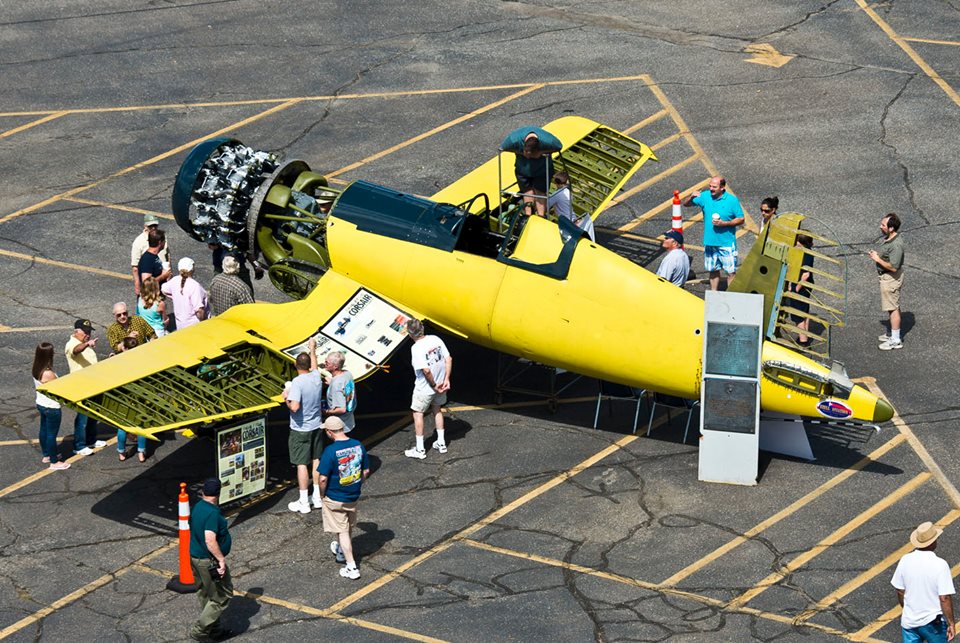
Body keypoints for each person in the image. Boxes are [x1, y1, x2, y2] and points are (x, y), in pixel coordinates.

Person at [318, 416, 370, 580]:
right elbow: (366, 471)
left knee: (342, 531)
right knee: (347, 525)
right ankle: (341, 551)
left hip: (334, 496)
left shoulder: (330, 451)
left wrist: (321, 494)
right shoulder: (358, 445)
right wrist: (357, 484)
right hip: (353, 495)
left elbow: (322, 478)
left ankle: (351, 566)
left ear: (329, 432)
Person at [891, 521, 955, 642]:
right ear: (933, 542)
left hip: (909, 622)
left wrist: (907, 609)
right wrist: (951, 623)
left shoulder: (905, 560)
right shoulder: (940, 564)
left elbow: (899, 590)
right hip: (933, 623)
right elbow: (944, 598)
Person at [189, 478, 234, 642]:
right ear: (218, 494)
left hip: (195, 557)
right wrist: (220, 560)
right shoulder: (212, 513)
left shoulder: (198, 507)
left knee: (205, 594)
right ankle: (199, 631)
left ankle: (214, 630)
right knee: (222, 595)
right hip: (208, 561)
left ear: (203, 492)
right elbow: (209, 540)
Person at [682, 176, 744, 291]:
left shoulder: (732, 200)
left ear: (722, 187)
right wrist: (691, 196)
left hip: (726, 243)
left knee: (730, 272)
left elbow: (741, 219)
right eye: (710, 186)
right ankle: (713, 294)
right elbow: (686, 204)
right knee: (713, 271)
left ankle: (731, 295)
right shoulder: (705, 196)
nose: (711, 188)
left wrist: (724, 223)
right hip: (710, 243)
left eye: (714, 187)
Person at [284, 338, 324, 514]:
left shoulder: (297, 383)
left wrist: (286, 397)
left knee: (301, 463)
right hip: (316, 425)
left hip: (300, 429)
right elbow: (314, 365)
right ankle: (317, 497)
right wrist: (312, 349)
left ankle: (303, 501)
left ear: (295, 365)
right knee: (316, 460)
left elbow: (294, 407)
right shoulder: (316, 376)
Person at [404, 319, 452, 459]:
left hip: (425, 388)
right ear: (422, 329)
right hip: (442, 383)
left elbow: (426, 370)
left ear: (410, 334)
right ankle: (441, 443)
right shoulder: (435, 339)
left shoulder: (416, 348)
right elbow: (448, 359)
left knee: (418, 413)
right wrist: (446, 379)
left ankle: (420, 449)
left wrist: (433, 385)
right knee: (437, 409)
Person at [501, 126, 563, 217]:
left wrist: (541, 153)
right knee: (527, 191)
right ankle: (528, 215)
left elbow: (559, 146)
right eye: (526, 153)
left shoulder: (548, 140)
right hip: (522, 170)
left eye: (532, 155)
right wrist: (520, 152)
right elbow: (502, 147)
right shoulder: (514, 139)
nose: (528, 157)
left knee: (540, 193)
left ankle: (541, 216)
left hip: (542, 171)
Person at [64, 320, 106, 455]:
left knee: (93, 414)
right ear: (77, 331)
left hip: (92, 384)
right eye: (86, 332)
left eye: (89, 332)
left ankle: (91, 440)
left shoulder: (84, 343)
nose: (88, 335)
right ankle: (79, 446)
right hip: (81, 387)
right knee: (82, 418)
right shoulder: (71, 344)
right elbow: (76, 351)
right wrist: (87, 344)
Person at [869, 213, 905, 351]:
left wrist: (877, 259)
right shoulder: (891, 238)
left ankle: (895, 340)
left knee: (893, 308)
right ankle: (892, 333)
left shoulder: (896, 245)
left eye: (883, 225)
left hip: (891, 278)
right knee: (892, 306)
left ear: (891, 228)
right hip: (887, 277)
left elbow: (894, 267)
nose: (880, 226)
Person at [32, 343, 70, 470]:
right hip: (52, 407)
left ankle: (47, 455)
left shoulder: (36, 368)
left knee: (44, 430)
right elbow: (59, 388)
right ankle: (54, 462)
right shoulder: (48, 373)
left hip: (41, 403)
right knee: (51, 435)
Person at [162, 257, 209, 331]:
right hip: (194, 325)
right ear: (192, 269)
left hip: (180, 324)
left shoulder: (174, 280)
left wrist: (173, 296)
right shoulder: (194, 285)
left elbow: (164, 289)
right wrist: (204, 321)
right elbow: (199, 310)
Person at [548, 171, 595, 241]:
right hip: (573, 219)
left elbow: (546, 205)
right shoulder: (568, 192)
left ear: (556, 183)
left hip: (567, 223)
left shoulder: (557, 194)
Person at [131, 214, 171, 297]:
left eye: (155, 225)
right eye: (150, 226)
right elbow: (135, 268)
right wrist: (137, 284)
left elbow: (167, 256)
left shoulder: (161, 237)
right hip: (151, 291)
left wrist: (169, 274)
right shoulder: (139, 242)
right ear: (145, 226)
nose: (153, 228)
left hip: (161, 283)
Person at [789, 235, 815, 347]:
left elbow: (805, 274)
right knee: (804, 311)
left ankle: (803, 341)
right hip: (807, 286)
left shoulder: (804, 254)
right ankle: (806, 336)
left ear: (799, 241)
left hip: (801, 286)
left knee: (797, 314)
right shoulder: (809, 251)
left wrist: (796, 288)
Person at [323, 351, 356, 433]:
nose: (324, 363)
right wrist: (332, 383)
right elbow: (344, 388)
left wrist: (326, 412)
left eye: (327, 362)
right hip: (350, 421)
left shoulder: (336, 385)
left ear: (335, 366)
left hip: (339, 426)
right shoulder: (347, 373)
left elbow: (341, 409)